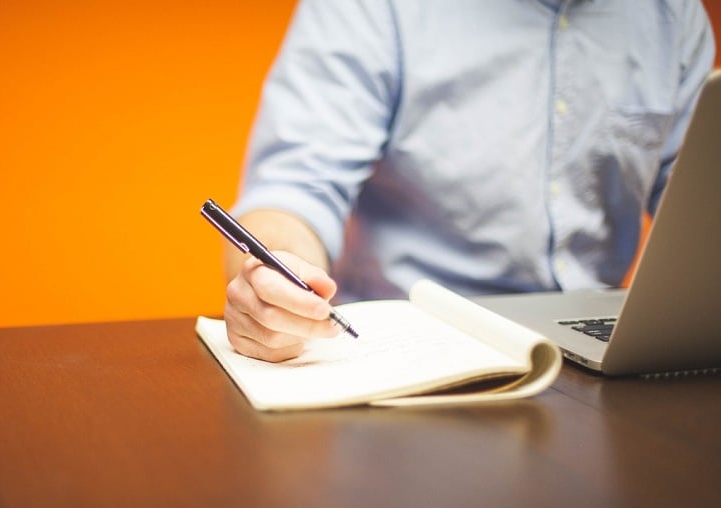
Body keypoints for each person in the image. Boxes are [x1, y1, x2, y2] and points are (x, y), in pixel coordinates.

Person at [222, 0, 716, 362]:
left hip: (607, 350)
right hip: (409, 349)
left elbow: (700, 200)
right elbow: (294, 187)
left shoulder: (674, 16)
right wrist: (278, 279)